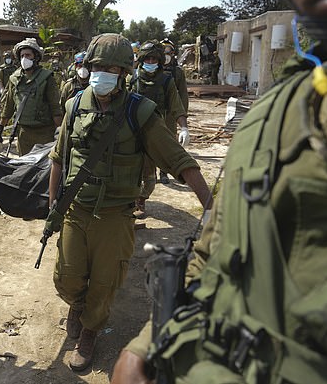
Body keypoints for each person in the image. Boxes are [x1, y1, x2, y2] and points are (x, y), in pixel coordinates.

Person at [112, 0, 327, 382]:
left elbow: (175, 100)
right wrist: (148, 343)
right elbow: (218, 250)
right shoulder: (274, 112)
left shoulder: (173, 76)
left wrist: (181, 125)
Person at [45, 33, 212, 372]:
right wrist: (53, 204)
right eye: (96, 66)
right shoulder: (75, 106)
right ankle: (77, 304)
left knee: (105, 281)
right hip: (76, 209)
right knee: (68, 276)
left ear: (123, 72)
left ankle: (90, 329)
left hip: (115, 214)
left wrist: (210, 207)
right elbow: (58, 157)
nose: (101, 73)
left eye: (110, 67)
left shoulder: (140, 112)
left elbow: (178, 160)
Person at [129, 40, 190, 219]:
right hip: (131, 129)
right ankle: (127, 199)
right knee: (127, 168)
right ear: (141, 60)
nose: (150, 63)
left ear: (160, 61)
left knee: (149, 174)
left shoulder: (166, 81)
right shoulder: (131, 78)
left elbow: (176, 105)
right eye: (147, 59)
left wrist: (184, 127)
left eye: (154, 59)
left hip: (154, 130)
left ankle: (141, 199)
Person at [0, 38, 63, 156]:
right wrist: (1, 126)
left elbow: (55, 108)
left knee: (43, 168)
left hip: (44, 133)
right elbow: (9, 106)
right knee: (24, 167)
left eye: (28, 55)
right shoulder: (14, 79)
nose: (24, 59)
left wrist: (60, 131)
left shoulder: (46, 78)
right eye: (22, 56)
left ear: (36, 57)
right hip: (23, 134)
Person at [160, 38, 190, 183]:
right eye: (163, 52)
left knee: (168, 142)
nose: (166, 55)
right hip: (152, 111)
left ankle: (163, 172)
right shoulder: (152, 70)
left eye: (168, 52)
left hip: (170, 113)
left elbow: (183, 94)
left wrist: (182, 119)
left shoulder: (177, 72)